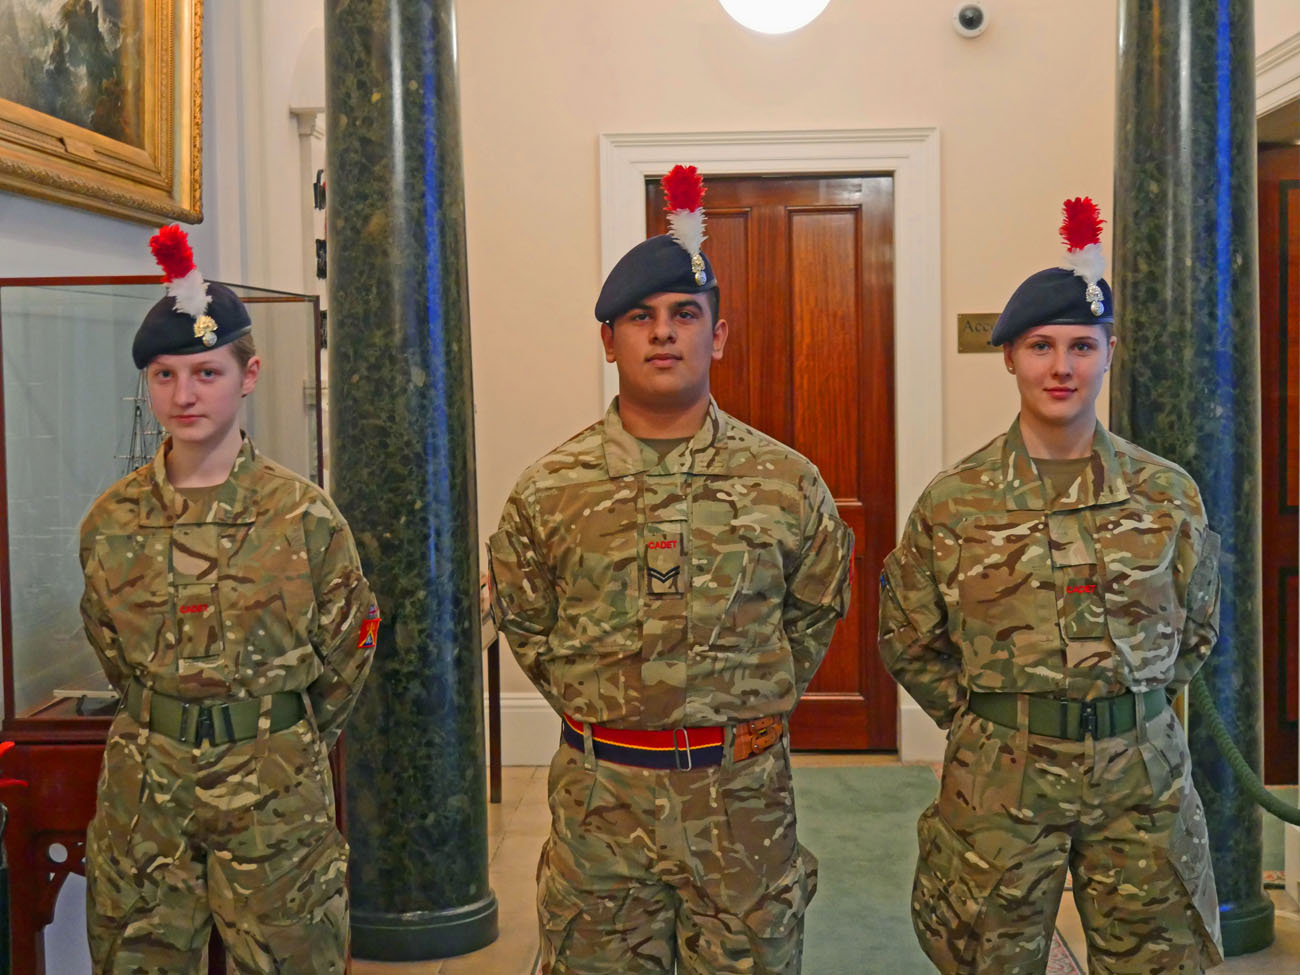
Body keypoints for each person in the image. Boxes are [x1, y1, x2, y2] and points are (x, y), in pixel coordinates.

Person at [489, 166, 853, 975]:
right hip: (601, 804)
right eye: (640, 317)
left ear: (716, 336)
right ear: (608, 340)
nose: (663, 333)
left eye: (685, 314)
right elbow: (527, 620)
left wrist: (742, 707)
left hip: (742, 803)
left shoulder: (787, 482)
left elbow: (814, 611)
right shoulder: (550, 489)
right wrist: (610, 706)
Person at [878, 197, 1223, 974]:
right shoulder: (955, 500)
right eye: (1041, 346)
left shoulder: (1167, 493)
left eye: (1081, 346)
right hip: (1000, 777)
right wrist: (993, 718)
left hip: (1141, 775)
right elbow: (908, 636)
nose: (1061, 367)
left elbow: (1196, 629)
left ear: (1109, 352)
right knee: (989, 958)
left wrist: (1124, 705)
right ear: (1010, 356)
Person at [79, 225, 379, 973]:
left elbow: (348, 653)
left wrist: (275, 732)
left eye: (206, 373)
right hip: (147, 789)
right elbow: (111, 648)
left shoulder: (303, 516)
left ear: (249, 375)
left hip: (274, 788)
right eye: (165, 375)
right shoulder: (112, 522)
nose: (184, 395)